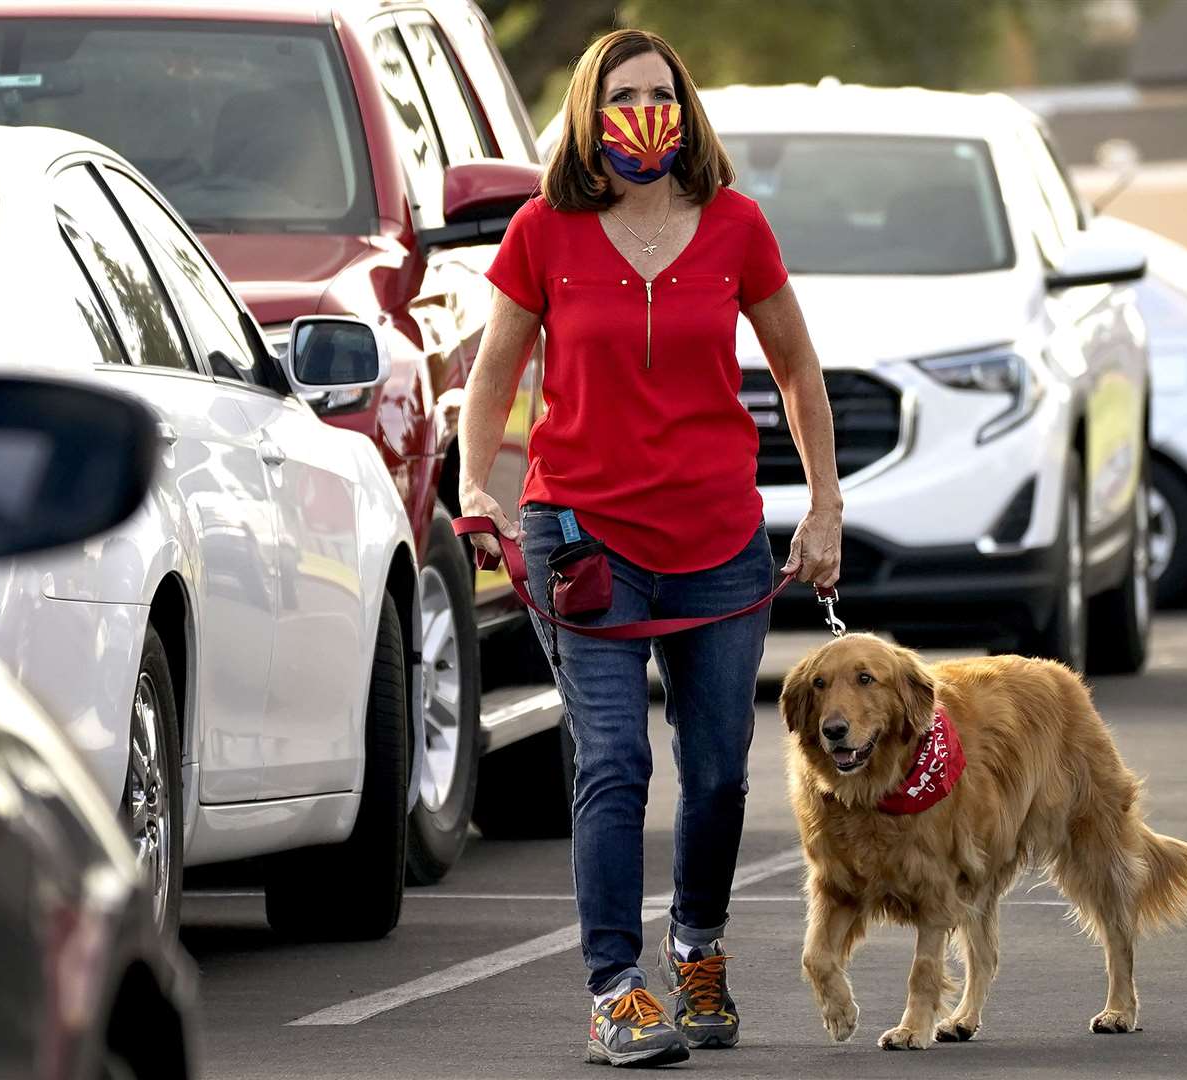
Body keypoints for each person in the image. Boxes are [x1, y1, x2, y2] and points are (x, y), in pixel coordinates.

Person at [456, 28, 842, 1068]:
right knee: (615, 760)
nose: (645, 113)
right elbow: (493, 375)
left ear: (687, 108)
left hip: (716, 538)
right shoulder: (544, 231)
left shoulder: (736, 228)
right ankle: (615, 989)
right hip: (583, 533)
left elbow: (799, 371)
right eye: (623, 95)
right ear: (588, 112)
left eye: (661, 94)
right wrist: (472, 490)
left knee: (717, 772)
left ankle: (698, 948)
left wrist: (823, 506)